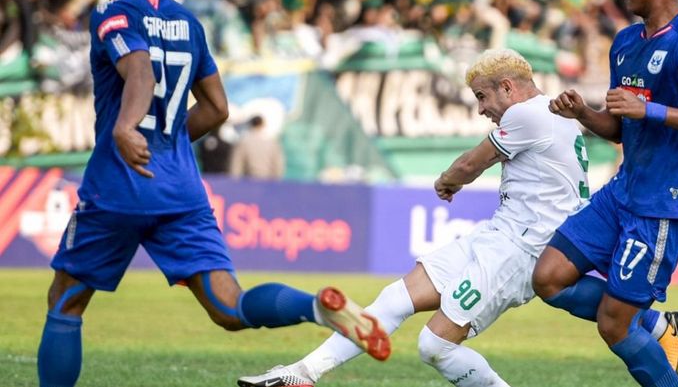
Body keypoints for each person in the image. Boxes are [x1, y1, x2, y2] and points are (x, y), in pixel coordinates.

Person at [36, 0, 390, 387]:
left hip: (120, 183)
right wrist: (171, 140)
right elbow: (218, 108)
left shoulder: (112, 16)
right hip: (181, 187)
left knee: (66, 302)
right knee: (230, 307)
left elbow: (139, 72)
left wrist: (127, 128)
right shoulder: (188, 21)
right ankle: (314, 307)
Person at [238, 48, 591, 387]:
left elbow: (471, 164)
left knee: (435, 346)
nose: (481, 109)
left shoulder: (526, 113)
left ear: (507, 87)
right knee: (394, 298)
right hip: (501, 234)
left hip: (520, 250)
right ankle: (302, 373)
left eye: (482, 97)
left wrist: (446, 182)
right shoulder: (557, 114)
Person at [532, 0, 678, 387]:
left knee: (613, 324)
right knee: (548, 279)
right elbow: (619, 127)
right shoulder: (625, 42)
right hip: (621, 194)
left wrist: (651, 110)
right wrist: (584, 113)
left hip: (661, 207)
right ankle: (657, 326)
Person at [230, 115, 285, 180]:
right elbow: (278, 165)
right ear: (263, 124)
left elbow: (236, 166)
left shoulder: (244, 141)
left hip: (249, 182)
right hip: (268, 183)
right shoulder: (272, 142)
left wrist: (235, 183)